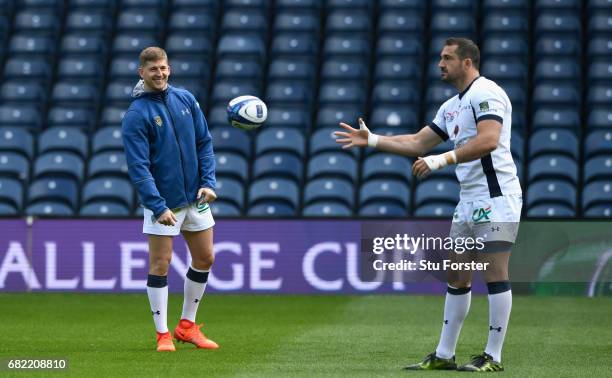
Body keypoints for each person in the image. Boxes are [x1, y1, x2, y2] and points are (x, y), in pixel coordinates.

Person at [335, 37, 521, 372]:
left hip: (498, 197)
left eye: (447, 58)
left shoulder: (486, 93)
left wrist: (442, 159)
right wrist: (374, 140)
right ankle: (445, 355)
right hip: (468, 200)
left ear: (467, 62)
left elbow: (489, 140)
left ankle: (493, 356)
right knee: (458, 273)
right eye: (440, 57)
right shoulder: (451, 106)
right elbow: (419, 141)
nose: (440, 63)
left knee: (494, 271)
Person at [122, 47, 219, 352]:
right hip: (164, 204)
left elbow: (204, 142)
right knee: (160, 264)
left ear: (169, 69)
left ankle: (186, 327)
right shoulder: (136, 114)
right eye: (153, 70)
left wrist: (208, 182)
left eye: (163, 68)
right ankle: (162, 334)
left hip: (196, 198)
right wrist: (157, 205)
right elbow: (138, 166)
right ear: (142, 73)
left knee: (205, 258)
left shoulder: (186, 99)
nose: (160, 74)